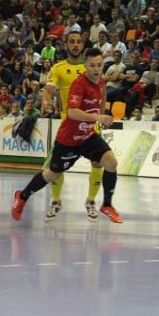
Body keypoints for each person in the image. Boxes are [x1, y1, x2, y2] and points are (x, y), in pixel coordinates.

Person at [12, 48, 123, 223]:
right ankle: (22, 196)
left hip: (87, 136)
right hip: (68, 140)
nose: (96, 69)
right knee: (52, 174)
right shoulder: (79, 84)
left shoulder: (101, 81)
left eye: (99, 65)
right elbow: (71, 112)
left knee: (111, 162)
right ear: (85, 65)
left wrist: (102, 118)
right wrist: (97, 117)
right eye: (92, 65)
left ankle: (107, 204)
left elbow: (101, 100)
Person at [41, 31, 105, 222]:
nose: (76, 45)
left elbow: (101, 92)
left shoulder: (91, 68)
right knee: (56, 167)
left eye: (79, 42)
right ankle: (56, 200)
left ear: (83, 45)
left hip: (91, 124)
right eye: (72, 42)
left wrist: (101, 116)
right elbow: (49, 90)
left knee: (98, 161)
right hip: (68, 124)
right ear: (66, 45)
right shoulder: (59, 68)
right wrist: (46, 101)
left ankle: (91, 200)